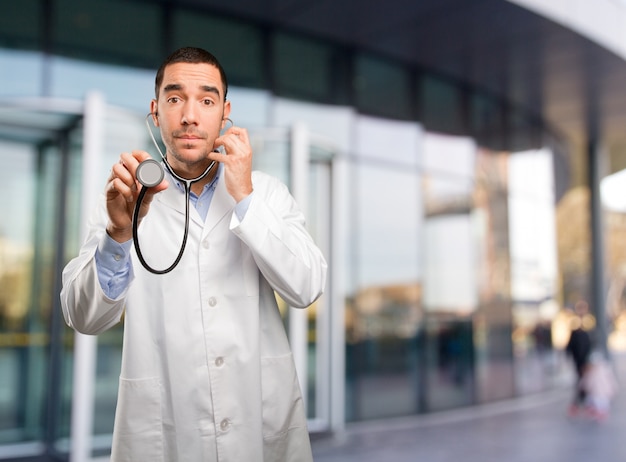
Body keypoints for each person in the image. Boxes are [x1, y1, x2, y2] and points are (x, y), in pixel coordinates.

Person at [60, 46, 327, 461]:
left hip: (257, 428)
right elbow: (84, 317)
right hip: (163, 434)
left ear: (225, 112)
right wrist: (117, 234)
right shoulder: (123, 200)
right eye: (174, 98)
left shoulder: (266, 193)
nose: (189, 115)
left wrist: (245, 200)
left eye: (206, 100)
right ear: (156, 111)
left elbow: (306, 287)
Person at [565, 301, 593, 416]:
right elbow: (570, 344)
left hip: (586, 359)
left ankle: (583, 402)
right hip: (579, 359)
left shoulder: (589, 322)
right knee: (581, 381)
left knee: (585, 381)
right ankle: (579, 403)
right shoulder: (574, 324)